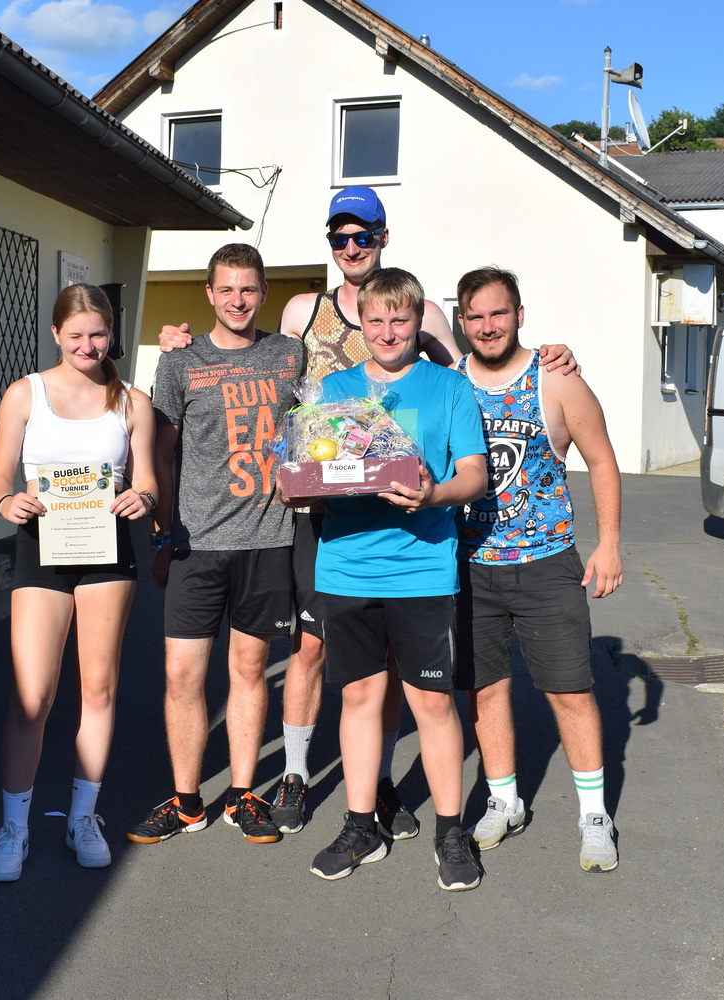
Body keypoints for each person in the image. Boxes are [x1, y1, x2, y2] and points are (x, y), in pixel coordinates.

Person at [156, 187, 577, 839]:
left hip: (404, 519)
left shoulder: (420, 310)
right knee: (310, 649)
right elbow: (253, 358)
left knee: (390, 663)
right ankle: (295, 774)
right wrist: (179, 342)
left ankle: (378, 785)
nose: (352, 247)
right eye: (341, 237)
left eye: (364, 235)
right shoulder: (304, 310)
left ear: (383, 238)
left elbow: (471, 369)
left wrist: (544, 356)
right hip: (319, 513)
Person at [307, 268, 488, 891]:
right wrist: (298, 483)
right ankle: (361, 825)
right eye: (376, 320)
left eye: (400, 320)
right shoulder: (333, 389)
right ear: (360, 323)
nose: (388, 332)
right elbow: (312, 466)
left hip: (423, 568)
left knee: (432, 703)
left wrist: (434, 494)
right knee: (359, 699)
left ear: (418, 322)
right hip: (346, 565)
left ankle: (450, 830)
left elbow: (474, 475)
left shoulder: (449, 387)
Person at [126, 243, 304, 847]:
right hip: (196, 543)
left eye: (248, 288)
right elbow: (159, 452)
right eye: (226, 289)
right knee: (182, 675)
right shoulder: (180, 360)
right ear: (209, 293)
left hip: (268, 538)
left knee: (249, 670)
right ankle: (186, 802)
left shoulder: (290, 355)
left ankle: (243, 794)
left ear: (264, 292)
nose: (237, 300)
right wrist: (163, 530)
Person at [452, 266, 624, 872]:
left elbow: (602, 460)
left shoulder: (556, 378)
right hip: (470, 567)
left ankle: (594, 816)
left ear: (519, 315)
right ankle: (504, 800)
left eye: (498, 313)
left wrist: (609, 544)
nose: (488, 326)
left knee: (569, 691)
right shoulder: (449, 382)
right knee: (485, 690)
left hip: (547, 564)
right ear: (462, 322)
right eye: (475, 316)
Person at [0, 284, 158, 878]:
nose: (88, 345)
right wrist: (6, 501)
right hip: (42, 545)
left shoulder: (131, 401)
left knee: (99, 689)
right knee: (32, 696)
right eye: (76, 334)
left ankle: (83, 817)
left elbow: (149, 479)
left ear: (112, 335)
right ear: (56, 332)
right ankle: (14, 827)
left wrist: (143, 498)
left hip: (107, 547)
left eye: (99, 334)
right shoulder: (24, 393)